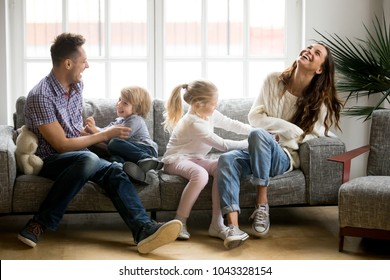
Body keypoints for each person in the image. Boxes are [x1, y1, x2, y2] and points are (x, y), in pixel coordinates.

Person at [17, 32, 182, 254]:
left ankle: (144, 230)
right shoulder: (40, 96)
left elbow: (72, 130)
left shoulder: (76, 87)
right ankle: (39, 223)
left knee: (115, 170)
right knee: (88, 157)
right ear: (68, 63)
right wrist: (104, 135)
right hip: (50, 159)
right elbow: (61, 146)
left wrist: (89, 133)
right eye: (83, 61)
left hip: (81, 157)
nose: (87, 65)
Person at [217, 43, 343, 249]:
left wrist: (284, 137)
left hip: (284, 157)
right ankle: (233, 228)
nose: (309, 51)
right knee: (226, 159)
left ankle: (262, 204)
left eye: (317, 53)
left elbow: (315, 134)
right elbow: (254, 117)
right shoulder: (273, 80)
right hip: (259, 151)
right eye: (309, 47)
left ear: (320, 69)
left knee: (259, 135)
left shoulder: (320, 101)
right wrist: (287, 128)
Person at [161, 79, 252, 248]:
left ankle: (217, 225)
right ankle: (179, 221)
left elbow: (231, 124)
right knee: (200, 174)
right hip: (176, 160)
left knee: (221, 167)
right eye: (213, 103)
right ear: (197, 104)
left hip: (196, 158)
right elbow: (223, 145)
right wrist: (251, 142)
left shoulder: (208, 114)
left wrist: (255, 131)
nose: (216, 106)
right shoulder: (194, 123)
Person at [84, 86, 163, 183]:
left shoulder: (135, 119)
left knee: (114, 143)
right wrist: (91, 129)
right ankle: (137, 175)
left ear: (137, 109)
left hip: (146, 149)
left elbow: (112, 136)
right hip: (131, 155)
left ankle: (147, 160)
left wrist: (94, 131)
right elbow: (105, 132)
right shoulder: (118, 121)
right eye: (120, 99)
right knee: (115, 159)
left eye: (125, 103)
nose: (119, 104)